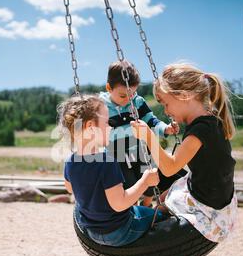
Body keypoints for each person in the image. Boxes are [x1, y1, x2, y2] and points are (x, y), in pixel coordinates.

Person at [131, 63, 238, 243]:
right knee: (165, 196)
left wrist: (149, 137)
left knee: (162, 205)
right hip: (217, 195)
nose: (166, 111)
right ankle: (162, 211)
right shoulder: (210, 121)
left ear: (184, 96)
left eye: (166, 104)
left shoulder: (201, 129)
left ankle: (163, 232)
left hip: (209, 207)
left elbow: (170, 168)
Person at [58, 94, 166, 247]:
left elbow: (70, 188)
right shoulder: (106, 161)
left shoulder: (70, 161)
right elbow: (120, 204)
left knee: (138, 210)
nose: (110, 127)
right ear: (90, 127)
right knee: (161, 216)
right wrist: (145, 181)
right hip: (119, 231)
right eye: (106, 123)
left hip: (92, 232)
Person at [99, 60, 185, 207]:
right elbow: (99, 131)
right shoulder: (101, 106)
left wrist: (165, 128)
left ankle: (147, 205)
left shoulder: (137, 102)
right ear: (109, 88)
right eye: (122, 96)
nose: (128, 99)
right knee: (128, 185)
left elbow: (150, 120)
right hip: (117, 155)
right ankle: (131, 211)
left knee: (150, 182)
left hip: (140, 151)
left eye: (132, 94)